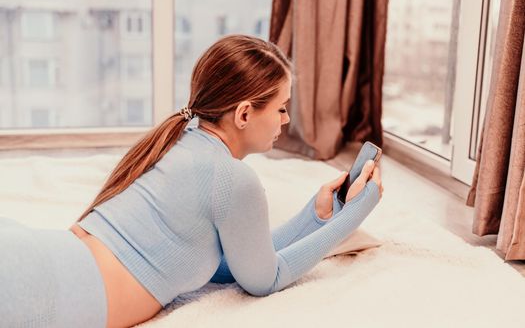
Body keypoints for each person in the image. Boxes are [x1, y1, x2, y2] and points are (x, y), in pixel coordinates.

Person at [0, 35, 383, 328]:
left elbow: (237, 263)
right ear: (245, 114)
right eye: (281, 107)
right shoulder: (232, 180)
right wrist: (353, 215)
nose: (285, 120)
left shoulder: (177, 140)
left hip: (37, 259)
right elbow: (265, 279)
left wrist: (316, 217)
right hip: (44, 292)